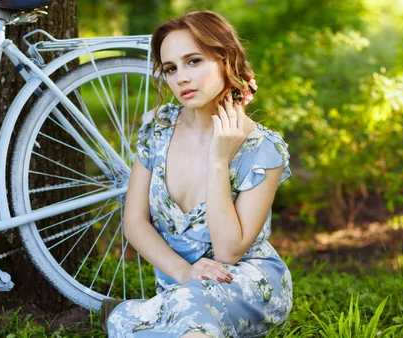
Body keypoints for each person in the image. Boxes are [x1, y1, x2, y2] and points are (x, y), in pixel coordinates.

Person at [105, 10, 293, 338]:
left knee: (184, 322)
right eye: (171, 68)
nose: (181, 78)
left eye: (194, 61)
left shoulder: (264, 149)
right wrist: (184, 271)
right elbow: (134, 221)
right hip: (180, 284)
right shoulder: (158, 128)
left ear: (225, 60)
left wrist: (219, 162)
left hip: (243, 283)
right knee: (126, 320)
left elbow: (228, 251)